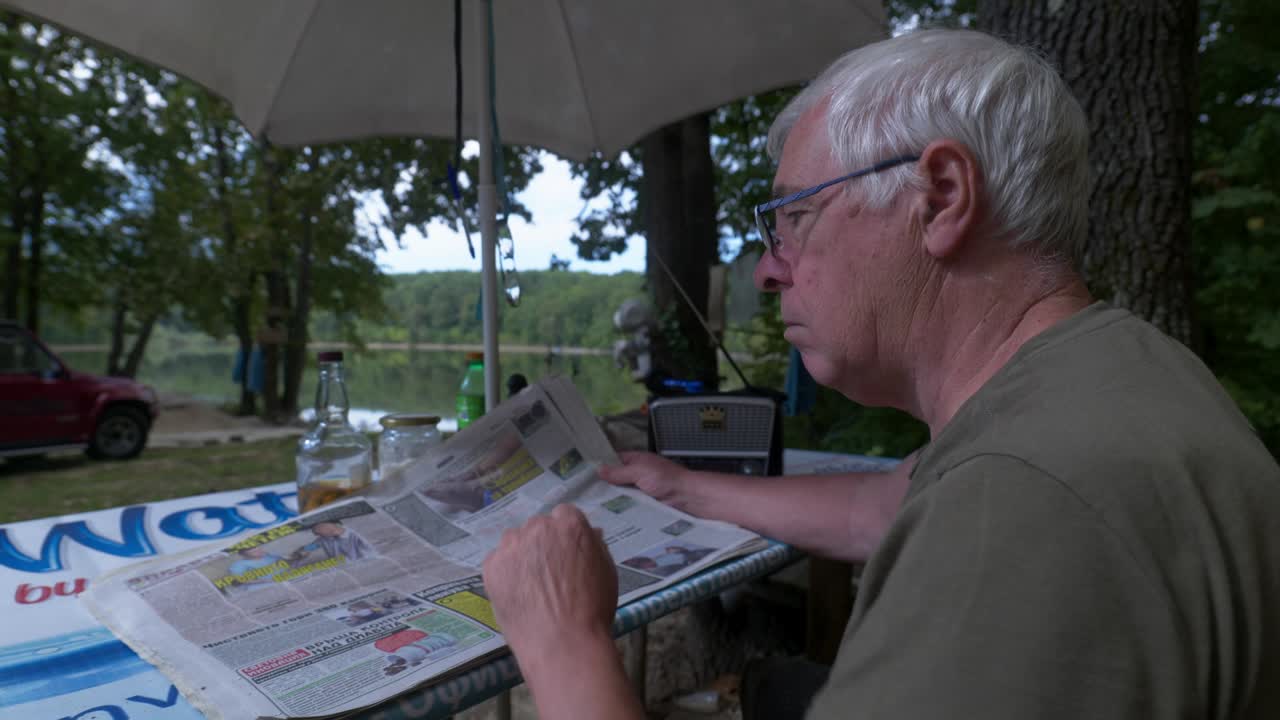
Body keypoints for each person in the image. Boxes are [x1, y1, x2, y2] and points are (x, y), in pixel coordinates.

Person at [481, 28, 1280, 720]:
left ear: (941, 198)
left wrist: (563, 640)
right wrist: (681, 487)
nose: (767, 269)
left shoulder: (1021, 507)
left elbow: (981, 512)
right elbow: (884, 504)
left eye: (795, 217)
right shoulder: (1095, 378)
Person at [297, 521, 372, 562]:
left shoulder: (355, 535)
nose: (318, 535)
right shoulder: (324, 538)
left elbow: (369, 553)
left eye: (319, 533)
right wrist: (303, 551)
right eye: (317, 533)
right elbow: (311, 547)